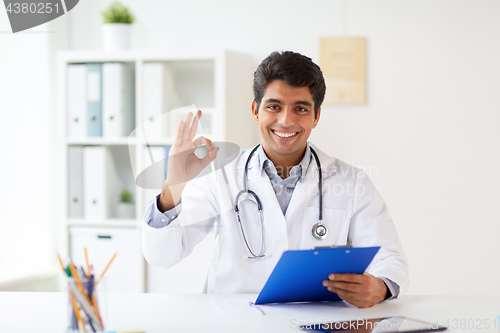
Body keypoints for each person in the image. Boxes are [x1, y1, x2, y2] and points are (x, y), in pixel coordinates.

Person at [142, 51, 409, 308]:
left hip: (314, 322)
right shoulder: (221, 175)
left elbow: (389, 258)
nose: (286, 120)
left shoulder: (352, 182)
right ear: (255, 111)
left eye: (301, 108)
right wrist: (172, 187)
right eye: (274, 106)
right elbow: (162, 255)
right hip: (235, 323)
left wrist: (380, 286)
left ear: (316, 116)